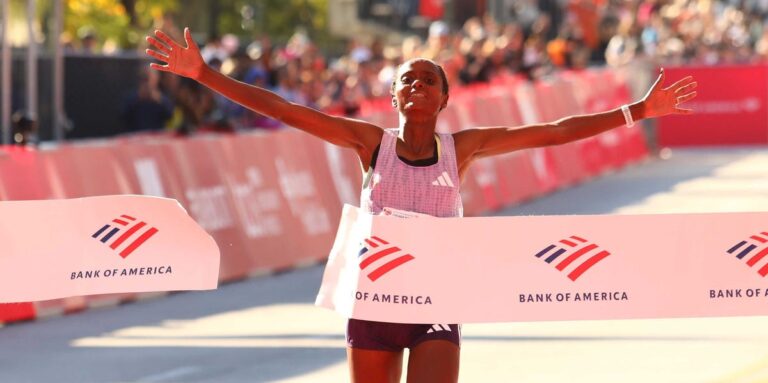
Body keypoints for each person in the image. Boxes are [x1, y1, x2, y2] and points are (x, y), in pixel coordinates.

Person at [146, 27, 697, 383]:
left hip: (435, 300)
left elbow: (552, 132)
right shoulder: (370, 143)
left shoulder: (464, 148)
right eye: (406, 79)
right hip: (375, 298)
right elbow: (288, 110)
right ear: (394, 97)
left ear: (442, 98)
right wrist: (204, 75)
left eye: (427, 79)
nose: (416, 84)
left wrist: (637, 112)